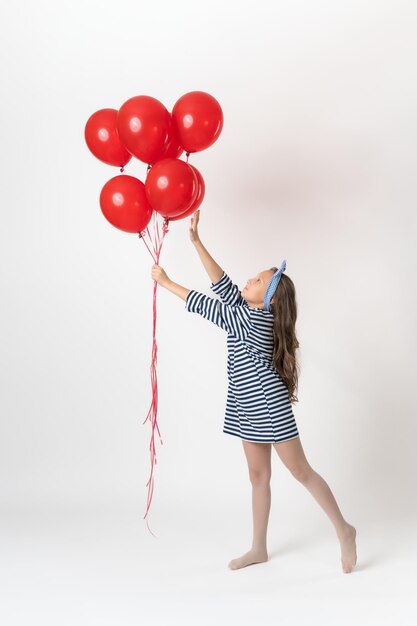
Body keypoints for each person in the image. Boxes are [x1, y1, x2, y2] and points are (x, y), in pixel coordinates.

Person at [150, 209, 357, 574]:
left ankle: (344, 529)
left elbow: (210, 305)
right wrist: (197, 243)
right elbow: (224, 287)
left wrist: (167, 283)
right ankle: (258, 548)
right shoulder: (249, 310)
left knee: (301, 471)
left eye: (257, 281)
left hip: (269, 406)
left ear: (270, 300)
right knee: (258, 477)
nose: (247, 281)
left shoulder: (253, 320)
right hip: (245, 405)